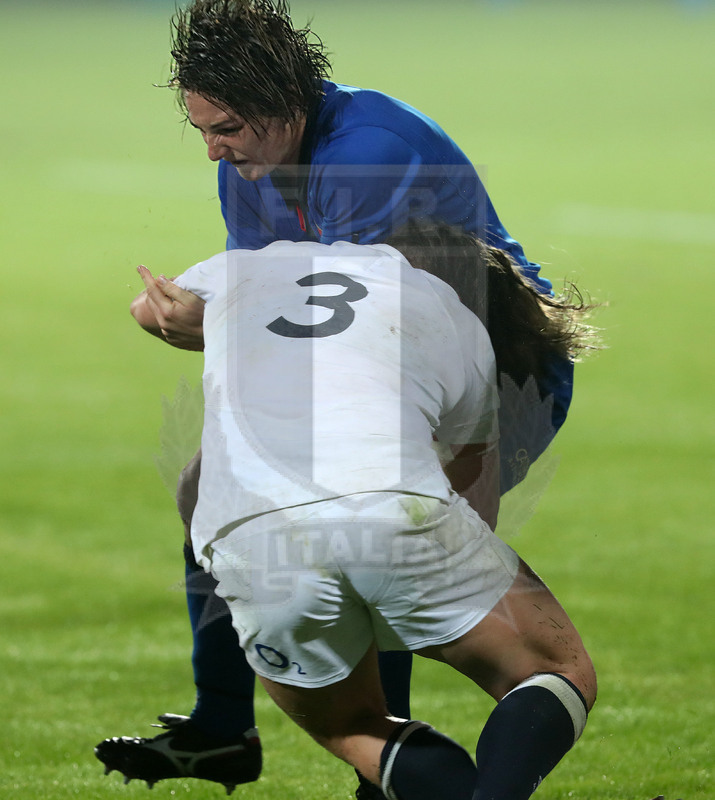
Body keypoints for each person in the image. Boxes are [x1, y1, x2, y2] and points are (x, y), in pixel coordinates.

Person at [94, 1, 576, 795]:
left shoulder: (368, 156)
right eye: (203, 130)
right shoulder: (247, 166)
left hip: (496, 370)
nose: (213, 150)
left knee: (365, 513)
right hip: (380, 367)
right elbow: (276, 309)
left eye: (230, 127)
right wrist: (219, 322)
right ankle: (222, 727)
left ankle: (384, 769)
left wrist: (210, 321)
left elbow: (354, 323)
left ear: (286, 98)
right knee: (203, 485)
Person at [124, 221, 598, 800]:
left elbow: (147, 311)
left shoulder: (247, 266)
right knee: (555, 668)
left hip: (246, 543)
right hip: (392, 505)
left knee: (351, 725)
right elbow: (472, 487)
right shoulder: (457, 319)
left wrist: (223, 327)